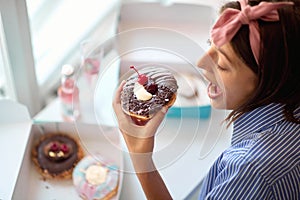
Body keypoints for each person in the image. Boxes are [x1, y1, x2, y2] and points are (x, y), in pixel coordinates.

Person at [113, 0, 300, 199]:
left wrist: (140, 160)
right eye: (210, 44)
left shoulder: (249, 172)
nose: (201, 63)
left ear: (272, 81)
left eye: (222, 65)